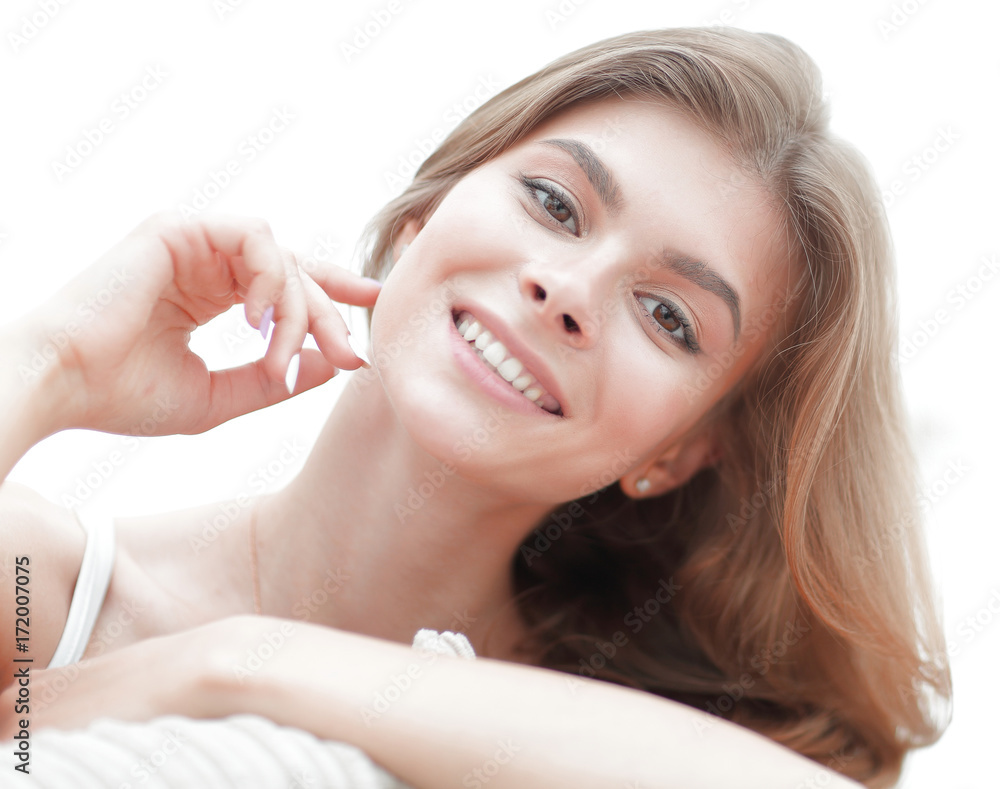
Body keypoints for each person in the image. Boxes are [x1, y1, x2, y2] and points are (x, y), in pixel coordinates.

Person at [0, 26, 950, 788]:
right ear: (424, 215)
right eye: (554, 202)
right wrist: (50, 362)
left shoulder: (617, 742)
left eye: (668, 316)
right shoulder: (49, 590)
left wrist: (245, 664)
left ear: (683, 449)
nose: (567, 288)